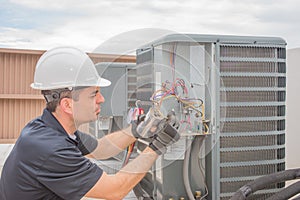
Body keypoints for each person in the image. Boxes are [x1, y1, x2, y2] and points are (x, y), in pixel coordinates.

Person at [0, 47, 180, 200]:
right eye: (94, 94)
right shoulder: (51, 149)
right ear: (67, 105)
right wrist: (158, 146)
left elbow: (100, 149)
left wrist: (136, 130)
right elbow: (115, 190)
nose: (101, 99)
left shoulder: (48, 128)